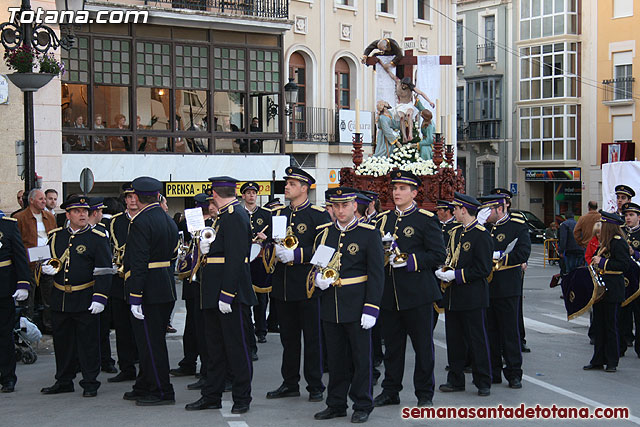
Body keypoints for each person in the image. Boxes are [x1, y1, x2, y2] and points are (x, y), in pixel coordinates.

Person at [311, 187, 384, 423]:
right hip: (331, 305)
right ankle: (336, 403)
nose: (340, 211)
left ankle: (362, 403)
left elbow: (376, 274)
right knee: (335, 359)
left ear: (355, 206)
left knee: (361, 359)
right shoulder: (323, 233)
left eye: (345, 205)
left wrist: (371, 307)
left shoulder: (369, 233)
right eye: (336, 206)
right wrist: (318, 279)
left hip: (358, 305)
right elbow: (316, 267)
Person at [374, 170, 446, 408]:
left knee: (423, 348)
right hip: (390, 295)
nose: (397, 192)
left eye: (403, 189)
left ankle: (424, 394)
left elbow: (438, 255)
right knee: (393, 349)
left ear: (414, 193)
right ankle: (390, 390)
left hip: (418, 295)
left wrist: (411, 261)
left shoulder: (426, 219)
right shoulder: (383, 219)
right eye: (395, 188)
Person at [186, 176, 256, 414]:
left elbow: (236, 259)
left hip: (229, 294)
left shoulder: (235, 216)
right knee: (214, 348)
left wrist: (227, 293)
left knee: (236, 348)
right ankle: (211, 394)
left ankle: (242, 397)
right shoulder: (224, 216)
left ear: (215, 194)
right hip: (213, 291)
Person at [266, 167, 331, 403]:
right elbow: (276, 243)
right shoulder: (280, 214)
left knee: (312, 338)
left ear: (305, 188)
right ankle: (289, 382)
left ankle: (315, 385)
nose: (287, 187)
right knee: (289, 339)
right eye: (287, 184)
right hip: (283, 286)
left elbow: (326, 249)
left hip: (307, 286)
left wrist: (298, 255)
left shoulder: (317, 214)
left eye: (292, 184)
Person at [39, 196, 112, 397]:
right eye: (77, 211)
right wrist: (44, 269)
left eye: (85, 211)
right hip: (60, 298)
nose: (82, 215)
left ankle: (90, 382)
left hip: (86, 296)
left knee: (88, 344)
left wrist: (100, 297)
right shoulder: (56, 237)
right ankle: (63, 380)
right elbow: (44, 260)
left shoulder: (97, 237)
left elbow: (104, 270)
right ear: (68, 214)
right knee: (62, 343)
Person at [122, 177, 179, 406]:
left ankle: (161, 390)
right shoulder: (168, 220)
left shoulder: (141, 221)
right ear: (158, 196)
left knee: (150, 343)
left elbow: (138, 261)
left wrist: (135, 296)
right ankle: (145, 383)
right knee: (149, 341)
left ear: (136, 196)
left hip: (147, 290)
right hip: (164, 284)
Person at [436, 192, 493, 397]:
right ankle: (456, 379)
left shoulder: (481, 234)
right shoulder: (455, 232)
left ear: (464, 210)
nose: (454, 212)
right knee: (455, 339)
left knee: (477, 339)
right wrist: (444, 270)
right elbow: (451, 257)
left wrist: (456, 275)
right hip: (453, 295)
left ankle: (483, 380)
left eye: (456, 209)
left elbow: (483, 269)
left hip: (472, 295)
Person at [480, 194, 531, 389]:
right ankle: (494, 371)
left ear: (500, 208)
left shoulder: (517, 226)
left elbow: (522, 252)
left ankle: (514, 372)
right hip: (487, 286)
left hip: (507, 286)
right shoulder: (483, 228)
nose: (485, 213)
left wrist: (499, 257)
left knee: (509, 332)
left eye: (488, 209)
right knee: (490, 331)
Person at [170, 192, 213, 388]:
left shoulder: (214, 223)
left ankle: (206, 370)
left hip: (204, 280)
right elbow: (183, 244)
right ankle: (188, 361)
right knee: (191, 326)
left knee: (204, 328)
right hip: (191, 278)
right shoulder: (189, 223)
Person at [584, 211, 631, 373]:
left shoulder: (619, 243)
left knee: (611, 326)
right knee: (599, 325)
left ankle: (612, 361)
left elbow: (624, 264)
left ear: (609, 226)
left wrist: (602, 262)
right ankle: (598, 359)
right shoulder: (605, 242)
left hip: (613, 289)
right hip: (601, 289)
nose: (601, 227)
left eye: (603, 224)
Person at [106, 184, 138, 383]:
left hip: (141, 278)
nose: (133, 200)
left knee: (141, 327)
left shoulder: (146, 218)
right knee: (122, 326)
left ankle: (144, 365)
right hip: (119, 280)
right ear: (124, 200)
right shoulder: (116, 221)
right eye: (129, 197)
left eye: (136, 196)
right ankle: (126, 367)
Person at [14, 189, 57, 331]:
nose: (44, 201)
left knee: (49, 296)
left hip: (47, 261)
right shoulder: (20, 217)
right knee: (28, 298)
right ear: (31, 200)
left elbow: (54, 237)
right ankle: (27, 326)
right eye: (41, 199)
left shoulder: (49, 217)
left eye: (45, 199)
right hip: (29, 263)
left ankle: (49, 325)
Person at [0, 215, 32, 393]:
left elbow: (19, 255)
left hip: (3, 287)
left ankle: (7, 378)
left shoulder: (8, 225)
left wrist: (23, 283)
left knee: (4, 335)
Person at [87, 197, 117, 375]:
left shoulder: (103, 230)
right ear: (96, 212)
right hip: (84, 284)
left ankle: (105, 360)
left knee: (102, 326)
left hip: (101, 284)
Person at [241, 182, 272, 348]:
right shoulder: (239, 213)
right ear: (243, 196)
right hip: (244, 260)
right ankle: (247, 328)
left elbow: (275, 237)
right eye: (248, 193)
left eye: (254, 193)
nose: (251, 195)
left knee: (261, 299)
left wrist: (265, 237)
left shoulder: (266, 214)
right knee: (245, 297)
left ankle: (261, 330)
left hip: (260, 260)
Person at [381, 66, 435, 143]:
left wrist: (430, 101)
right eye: (403, 84)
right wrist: (384, 66)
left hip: (408, 104)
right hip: (400, 105)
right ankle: (404, 137)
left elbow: (421, 93)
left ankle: (410, 134)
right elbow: (391, 74)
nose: (403, 86)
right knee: (402, 118)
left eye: (405, 85)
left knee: (409, 115)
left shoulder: (411, 87)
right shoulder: (398, 82)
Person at [621, 202, 640, 357]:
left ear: (638, 217)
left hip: (638, 281)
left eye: (631, 215)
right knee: (621, 315)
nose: (628, 218)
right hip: (623, 281)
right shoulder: (620, 232)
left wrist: (635, 253)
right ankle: (621, 345)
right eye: (626, 215)